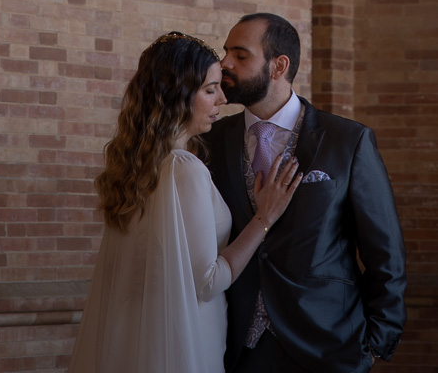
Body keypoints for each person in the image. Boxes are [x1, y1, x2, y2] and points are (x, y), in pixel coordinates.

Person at [70, 32, 304, 373]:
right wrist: (264, 218)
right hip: (186, 340)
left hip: (136, 338)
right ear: (176, 95)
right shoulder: (184, 168)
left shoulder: (136, 166)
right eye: (210, 90)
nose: (222, 98)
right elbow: (208, 282)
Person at [205, 13, 407, 372]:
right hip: (234, 348)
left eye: (240, 55)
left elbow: (385, 253)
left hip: (327, 348)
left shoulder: (347, 141)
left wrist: (375, 343)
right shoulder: (210, 142)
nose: (225, 64)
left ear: (279, 66)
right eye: (225, 53)